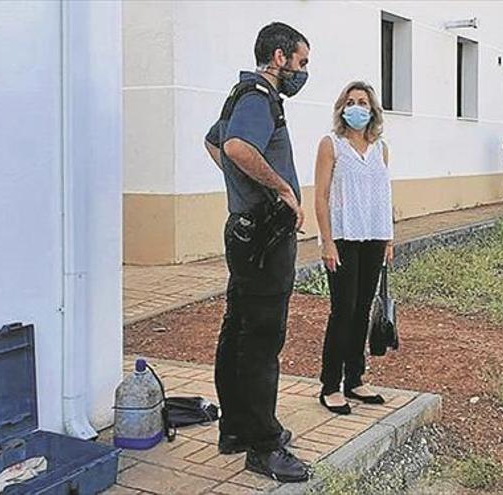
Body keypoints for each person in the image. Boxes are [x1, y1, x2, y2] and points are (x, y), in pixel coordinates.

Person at [203, 22, 310, 483]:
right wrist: (282, 189)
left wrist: (241, 184)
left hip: (246, 233)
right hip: (264, 239)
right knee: (263, 339)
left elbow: (212, 142)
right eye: (301, 62)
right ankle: (264, 447)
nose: (303, 72)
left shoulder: (240, 94)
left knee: (239, 331)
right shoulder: (258, 97)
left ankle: (236, 429)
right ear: (280, 57)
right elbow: (234, 146)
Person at [314, 81, 394, 415]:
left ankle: (355, 380)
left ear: (372, 109)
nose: (356, 107)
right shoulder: (331, 144)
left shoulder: (380, 148)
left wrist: (388, 237)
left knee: (362, 310)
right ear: (342, 108)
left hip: (374, 237)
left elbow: (383, 193)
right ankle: (330, 385)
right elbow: (320, 196)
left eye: (362, 101)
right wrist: (327, 242)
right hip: (343, 239)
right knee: (342, 311)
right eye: (350, 101)